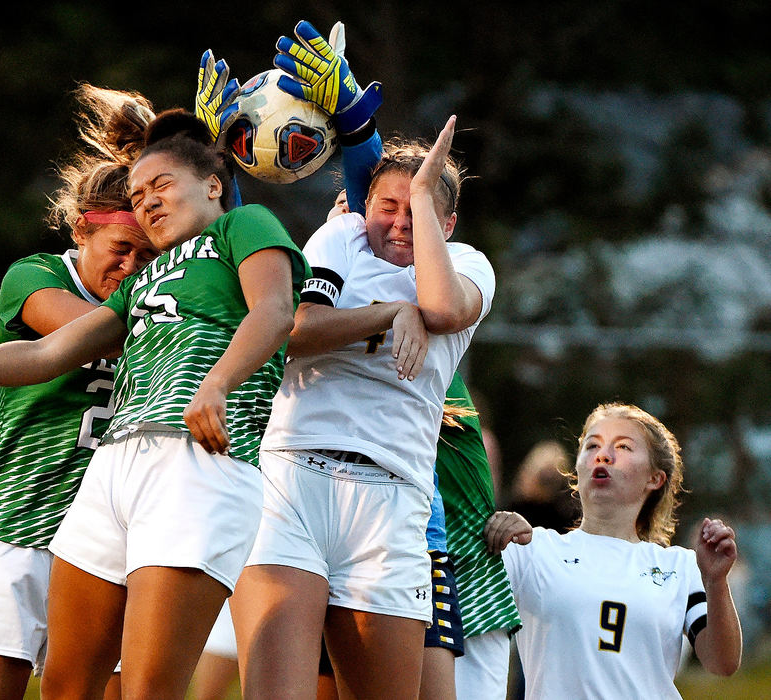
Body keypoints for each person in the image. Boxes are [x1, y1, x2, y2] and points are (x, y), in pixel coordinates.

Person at [0, 108, 310, 700]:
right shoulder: (145, 278)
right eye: (138, 196)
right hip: (113, 466)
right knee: (67, 685)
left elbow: (276, 312)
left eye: (161, 185)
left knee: (145, 688)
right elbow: (48, 354)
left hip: (196, 462)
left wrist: (216, 383)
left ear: (215, 184)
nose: (149, 202)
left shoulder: (245, 226)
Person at [231, 61, 493, 700]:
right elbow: (296, 329)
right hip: (294, 477)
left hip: (394, 497)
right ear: (361, 205)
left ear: (448, 223)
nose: (399, 221)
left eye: (420, 209)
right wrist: (388, 312)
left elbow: (441, 310)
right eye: (388, 206)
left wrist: (425, 199)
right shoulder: (340, 238)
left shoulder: (467, 266)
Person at [0, 84, 158, 700]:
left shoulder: (158, 296)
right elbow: (87, 335)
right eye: (120, 251)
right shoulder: (36, 277)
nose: (132, 271)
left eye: (148, 256)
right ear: (81, 230)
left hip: (107, 544)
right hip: (16, 525)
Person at [485, 402, 742, 699]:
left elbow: (722, 662)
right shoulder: (531, 549)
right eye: (592, 445)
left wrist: (716, 582)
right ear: (577, 468)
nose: (603, 455)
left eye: (623, 446)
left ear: (654, 478)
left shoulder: (680, 566)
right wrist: (494, 529)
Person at [435, 373, 521, 700]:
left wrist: (503, 519)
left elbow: (486, 491)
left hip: (473, 576)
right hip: (405, 565)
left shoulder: (450, 393)